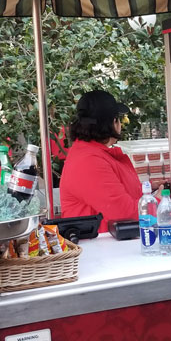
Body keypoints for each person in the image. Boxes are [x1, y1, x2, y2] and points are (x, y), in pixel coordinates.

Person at [59, 89, 142, 233]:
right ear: (112, 123)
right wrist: (158, 203)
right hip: (100, 249)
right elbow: (123, 213)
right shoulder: (89, 161)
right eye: (118, 119)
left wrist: (150, 190)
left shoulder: (93, 154)